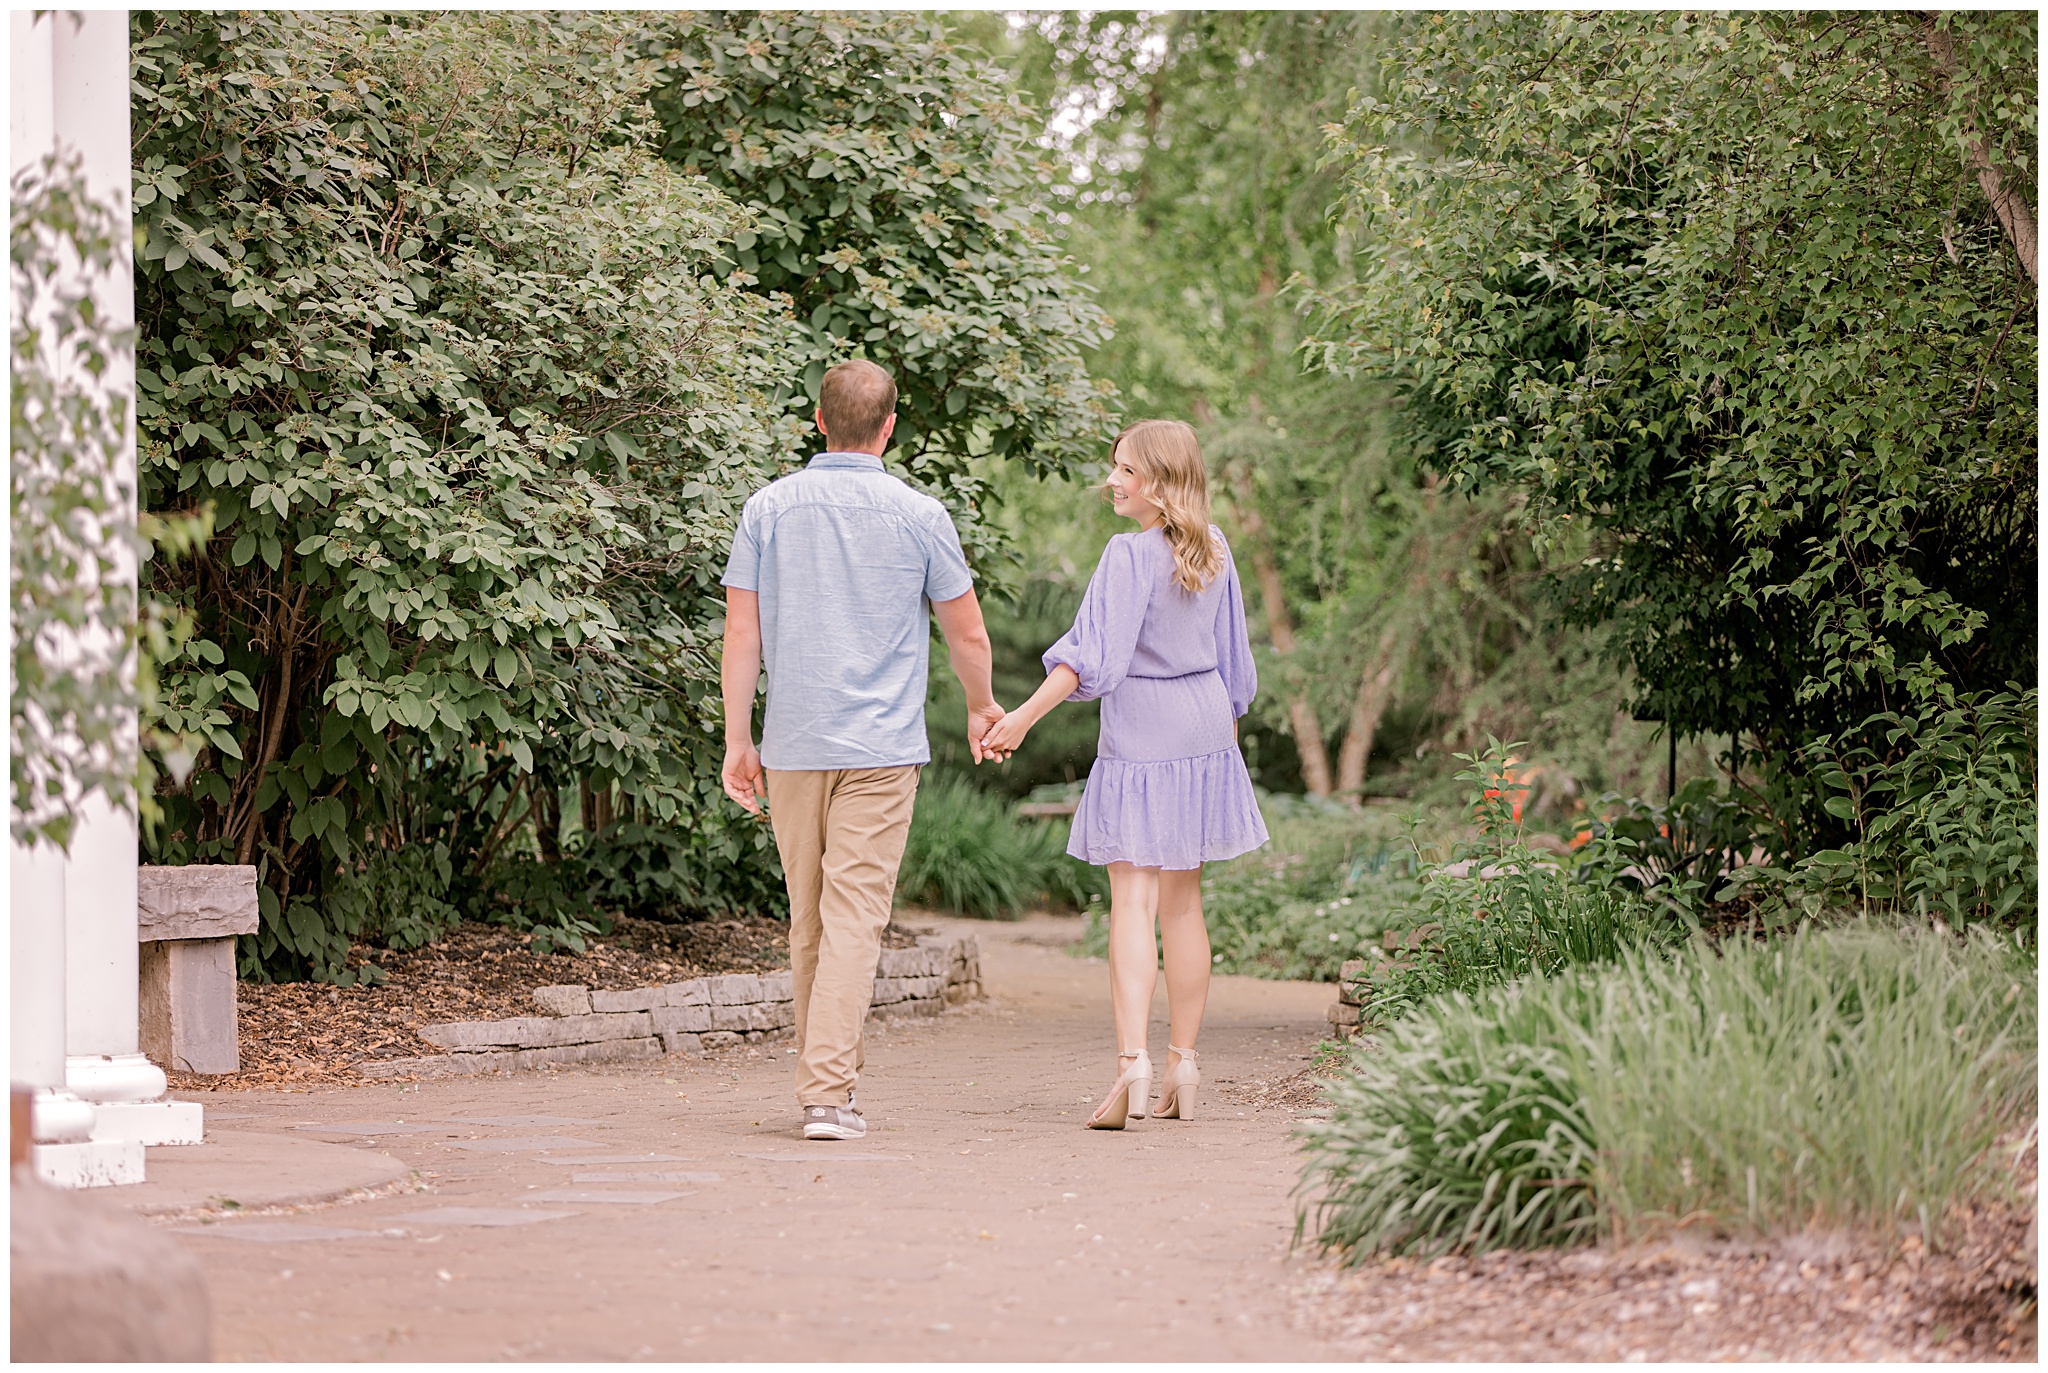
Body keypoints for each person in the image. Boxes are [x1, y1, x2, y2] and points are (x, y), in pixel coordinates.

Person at [719, 359, 1004, 1142]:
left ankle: (822, 1087)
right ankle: (827, 1096)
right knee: (852, 919)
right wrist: (982, 707)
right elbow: (968, 631)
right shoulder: (921, 514)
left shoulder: (768, 508)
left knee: (810, 916)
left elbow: (743, 632)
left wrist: (739, 737)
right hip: (880, 747)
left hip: (794, 744)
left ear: (818, 420)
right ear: (889, 427)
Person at [979, 419, 1269, 1129]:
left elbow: (1089, 658)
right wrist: (1220, 748)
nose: (1112, 480)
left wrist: (1019, 717)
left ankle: (1132, 1065)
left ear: (1162, 484)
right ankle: (1184, 1064)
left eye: (1127, 471)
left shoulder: (1126, 555)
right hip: (1205, 730)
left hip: (1143, 731)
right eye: (1115, 467)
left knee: (1134, 904)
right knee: (1185, 906)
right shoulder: (1217, 549)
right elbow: (1236, 668)